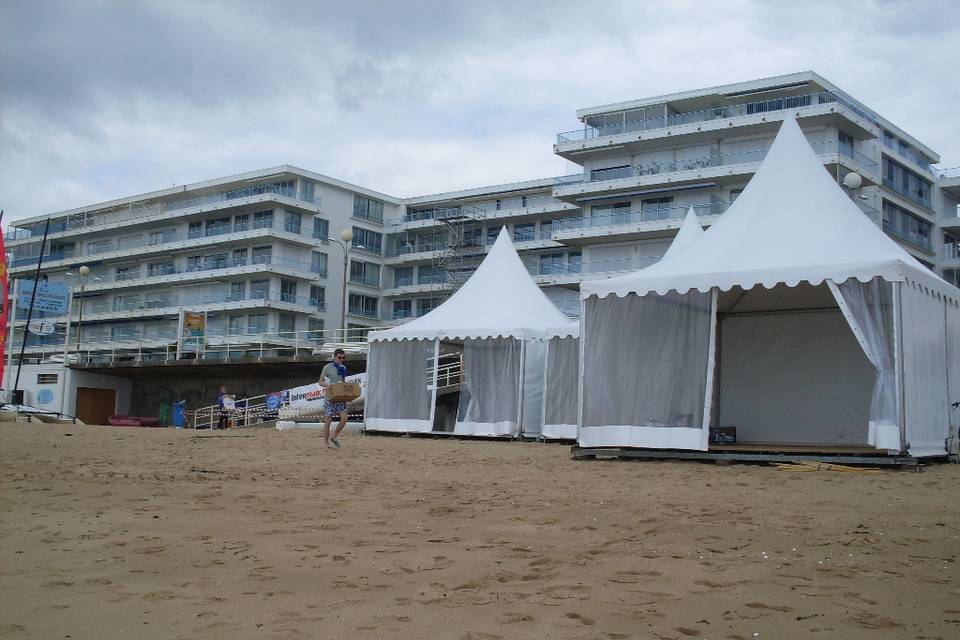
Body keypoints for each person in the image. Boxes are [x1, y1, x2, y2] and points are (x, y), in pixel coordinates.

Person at [319, 349, 349, 448]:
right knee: (328, 420)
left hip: (340, 396)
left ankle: (335, 436)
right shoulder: (327, 367)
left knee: (344, 418)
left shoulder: (343, 368)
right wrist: (328, 385)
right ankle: (326, 443)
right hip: (330, 396)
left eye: (343, 358)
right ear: (335, 357)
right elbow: (320, 381)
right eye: (340, 357)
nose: (341, 359)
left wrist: (347, 394)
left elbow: (343, 382)